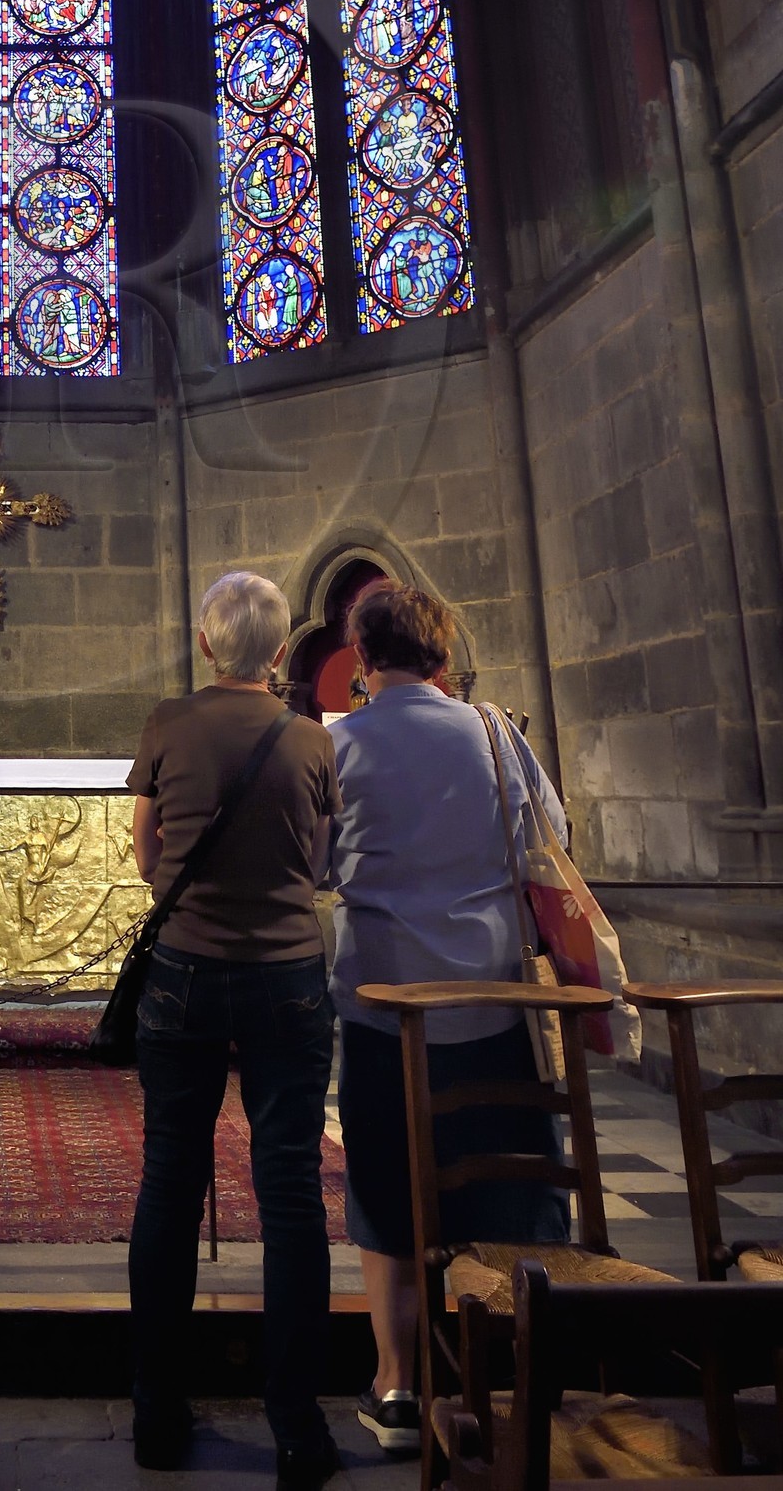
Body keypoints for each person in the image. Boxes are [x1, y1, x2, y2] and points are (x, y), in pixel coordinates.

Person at [327, 582, 570, 1457]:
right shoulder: (496, 733)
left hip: (385, 1006)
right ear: (441, 652)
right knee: (504, 1180)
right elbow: (553, 835)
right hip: (494, 999)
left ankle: (396, 1387)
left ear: (361, 658)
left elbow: (320, 859)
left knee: (388, 1188)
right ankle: (508, 1376)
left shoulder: (337, 742)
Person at [126, 571, 341, 1483]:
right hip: (289, 974)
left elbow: (144, 849)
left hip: (182, 972)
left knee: (172, 1182)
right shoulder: (308, 737)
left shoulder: (170, 723)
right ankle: (296, 1426)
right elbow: (323, 857)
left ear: (208, 644)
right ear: (283, 651)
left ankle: (158, 1417)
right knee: (290, 1191)